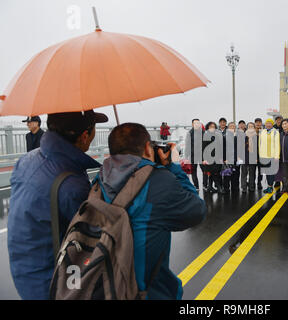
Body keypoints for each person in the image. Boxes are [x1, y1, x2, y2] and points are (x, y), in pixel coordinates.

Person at [95, 123, 206, 300]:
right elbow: (197, 211)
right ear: (148, 148)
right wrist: (173, 167)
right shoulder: (159, 180)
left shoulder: (99, 178)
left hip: (107, 284)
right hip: (146, 291)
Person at [8, 110, 108, 300]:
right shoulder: (72, 185)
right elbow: (95, 236)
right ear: (85, 136)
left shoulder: (26, 160)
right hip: (54, 283)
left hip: (25, 274)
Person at [259, 118, 280, 193]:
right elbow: (260, 143)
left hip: (272, 155)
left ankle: (270, 187)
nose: (268, 125)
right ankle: (268, 186)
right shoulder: (262, 132)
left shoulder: (275, 132)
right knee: (267, 172)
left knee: (271, 172)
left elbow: (277, 145)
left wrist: (277, 156)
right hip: (264, 155)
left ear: (272, 124)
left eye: (270, 123)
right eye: (267, 123)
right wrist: (260, 154)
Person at [202, 121, 224, 194]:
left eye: (213, 127)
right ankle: (219, 187)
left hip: (217, 157)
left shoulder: (217, 135)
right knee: (213, 173)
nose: (212, 128)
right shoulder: (205, 136)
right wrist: (204, 159)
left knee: (214, 172)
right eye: (211, 126)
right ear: (207, 127)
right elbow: (203, 148)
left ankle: (210, 187)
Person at [186, 119, 207, 191]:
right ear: (192, 124)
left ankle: (205, 185)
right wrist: (186, 156)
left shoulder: (203, 132)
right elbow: (187, 145)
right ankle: (196, 186)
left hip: (202, 155)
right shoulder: (189, 133)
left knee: (205, 170)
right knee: (193, 171)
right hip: (193, 155)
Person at [240, 122, 258, 192]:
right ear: (247, 127)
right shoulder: (243, 136)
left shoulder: (256, 136)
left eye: (252, 126)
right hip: (244, 157)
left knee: (252, 173)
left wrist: (256, 158)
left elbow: (257, 148)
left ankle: (251, 186)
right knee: (244, 173)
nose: (250, 128)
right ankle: (244, 187)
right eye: (249, 126)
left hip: (253, 157)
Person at [254, 118, 264, 190]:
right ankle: (252, 182)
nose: (258, 124)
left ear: (261, 123)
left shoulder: (264, 132)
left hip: (261, 155)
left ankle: (259, 182)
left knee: (261, 171)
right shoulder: (251, 132)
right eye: (256, 122)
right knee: (252, 170)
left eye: (259, 122)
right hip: (253, 155)